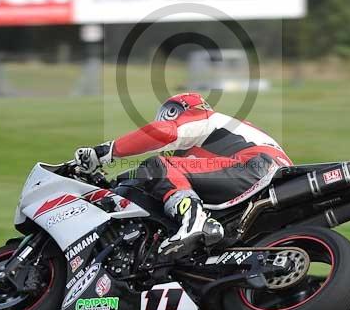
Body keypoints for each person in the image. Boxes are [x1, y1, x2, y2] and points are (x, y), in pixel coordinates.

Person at [74, 92, 292, 257]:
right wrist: (114, 183)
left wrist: (104, 152)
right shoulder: (217, 142)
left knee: (157, 165)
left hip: (256, 165)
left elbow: (164, 133)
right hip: (270, 177)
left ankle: (193, 220)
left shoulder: (205, 118)